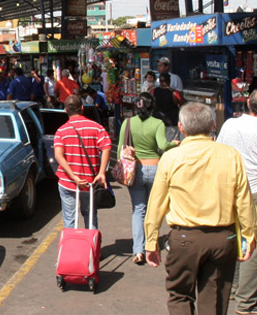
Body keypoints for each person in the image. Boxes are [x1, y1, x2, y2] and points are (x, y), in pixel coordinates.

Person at [144, 102, 257, 315]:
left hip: (184, 238)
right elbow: (244, 201)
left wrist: (150, 242)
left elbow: (156, 203)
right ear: (211, 127)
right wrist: (249, 236)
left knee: (179, 295)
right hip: (224, 238)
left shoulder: (171, 158)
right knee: (214, 301)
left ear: (180, 128)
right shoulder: (230, 156)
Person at [217, 88, 257, 313]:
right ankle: (247, 299)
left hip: (231, 191)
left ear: (247, 103)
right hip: (256, 191)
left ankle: (235, 289)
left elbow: (219, 152)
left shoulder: (229, 124)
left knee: (235, 239)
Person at [117, 93, 176, 265]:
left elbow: (121, 147)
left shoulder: (128, 123)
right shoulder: (157, 123)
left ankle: (138, 250)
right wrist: (176, 144)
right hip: (155, 169)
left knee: (138, 210)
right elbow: (163, 145)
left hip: (135, 169)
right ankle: (153, 245)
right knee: (154, 209)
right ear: (152, 107)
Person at [53, 95, 112, 229]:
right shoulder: (97, 128)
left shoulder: (61, 131)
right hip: (90, 182)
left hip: (67, 182)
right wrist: (102, 172)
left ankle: (71, 248)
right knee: (90, 217)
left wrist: (73, 177)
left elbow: (58, 156)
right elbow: (107, 147)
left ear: (65, 110)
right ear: (82, 108)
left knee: (69, 220)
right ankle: (92, 248)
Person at [152, 73, 181, 140]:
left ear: (160, 81)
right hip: (171, 122)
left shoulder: (154, 91)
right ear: (169, 81)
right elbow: (180, 102)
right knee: (172, 144)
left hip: (157, 121)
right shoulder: (174, 92)